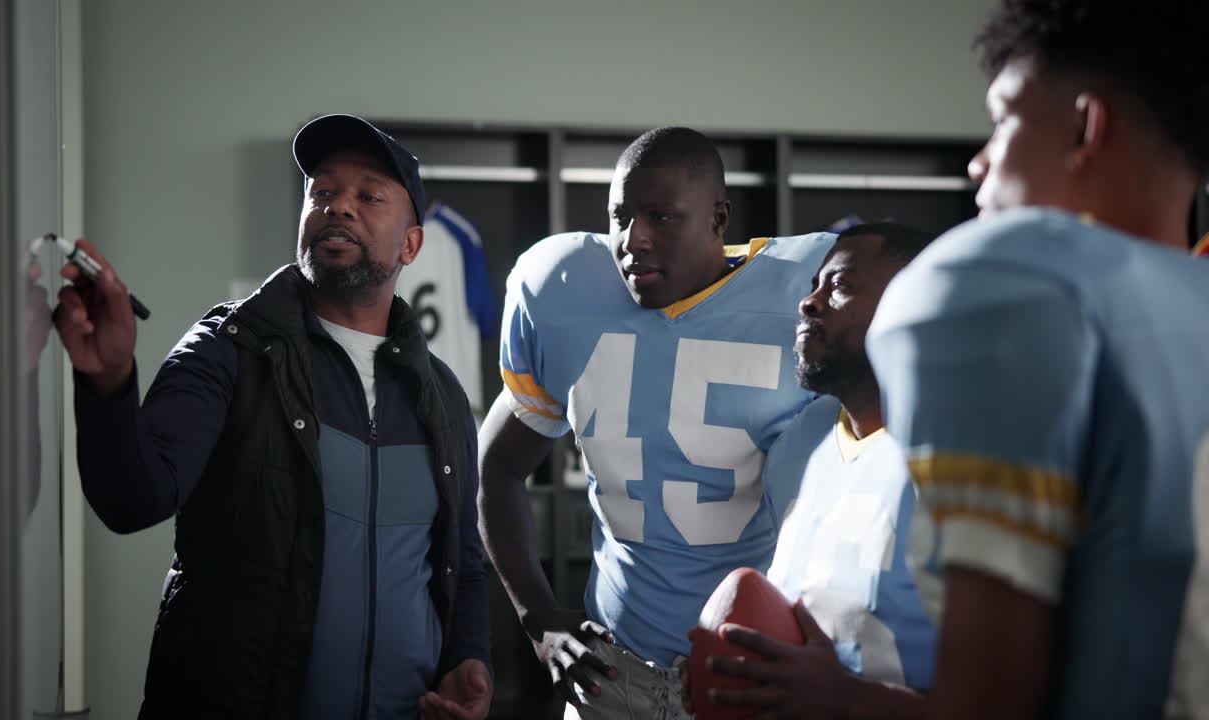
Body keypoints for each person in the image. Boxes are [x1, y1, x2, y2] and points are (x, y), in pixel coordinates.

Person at [53, 114, 491, 719]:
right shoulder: (229, 347)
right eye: (323, 192)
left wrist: (468, 657)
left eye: (368, 195)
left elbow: (461, 560)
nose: (339, 207)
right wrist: (108, 384)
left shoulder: (440, 394)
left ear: (411, 244)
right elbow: (133, 499)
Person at [863, 1, 1209, 717]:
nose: (979, 160)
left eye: (1003, 118)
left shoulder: (1012, 285)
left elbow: (990, 702)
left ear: (1085, 126)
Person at [477, 126, 834, 719]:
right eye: (620, 216)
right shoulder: (562, 288)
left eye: (662, 217)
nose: (633, 239)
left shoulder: (809, 291)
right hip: (613, 676)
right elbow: (496, 470)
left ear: (719, 218)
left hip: (753, 674)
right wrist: (537, 617)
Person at [693, 222, 939, 719]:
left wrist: (848, 699)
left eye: (841, 286)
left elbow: (1033, 694)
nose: (809, 303)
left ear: (916, 306)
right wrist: (732, 672)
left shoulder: (967, 463)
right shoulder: (802, 441)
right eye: (814, 286)